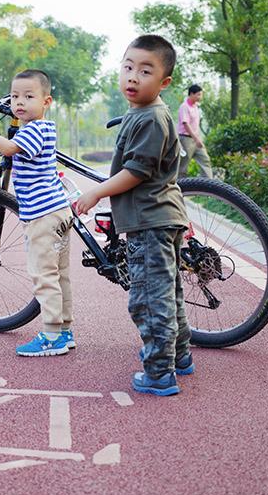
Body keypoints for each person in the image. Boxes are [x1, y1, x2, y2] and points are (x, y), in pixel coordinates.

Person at [74, 35, 192, 396]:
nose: (133, 77)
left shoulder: (152, 119)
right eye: (128, 67)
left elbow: (136, 173)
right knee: (168, 293)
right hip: (159, 218)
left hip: (150, 222)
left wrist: (96, 191)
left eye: (145, 71)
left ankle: (159, 373)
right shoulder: (143, 112)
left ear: (164, 82)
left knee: (147, 299)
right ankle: (179, 356)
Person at [0, 70, 75, 357]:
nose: (19, 103)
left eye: (29, 96)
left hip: (43, 216)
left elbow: (9, 147)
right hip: (58, 211)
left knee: (43, 275)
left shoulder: (34, 130)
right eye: (15, 96)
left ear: (46, 101)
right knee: (58, 274)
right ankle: (63, 329)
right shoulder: (46, 128)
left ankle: (52, 334)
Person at [177, 83, 213, 179]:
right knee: (183, 166)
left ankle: (209, 185)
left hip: (196, 139)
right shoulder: (184, 107)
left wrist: (198, 138)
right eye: (198, 94)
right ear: (191, 94)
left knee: (205, 160)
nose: (200, 97)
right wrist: (196, 138)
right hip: (185, 139)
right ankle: (181, 188)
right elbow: (186, 124)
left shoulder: (196, 106)